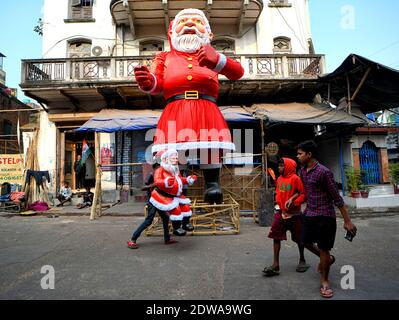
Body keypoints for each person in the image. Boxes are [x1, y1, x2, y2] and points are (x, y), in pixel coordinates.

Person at [134, 8, 244, 204]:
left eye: (197, 21)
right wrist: (147, 82)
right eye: (183, 20)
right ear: (172, 32)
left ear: (209, 34)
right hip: (176, 109)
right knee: (174, 152)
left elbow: (237, 72)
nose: (190, 24)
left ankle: (212, 184)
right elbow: (157, 82)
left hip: (206, 107)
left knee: (209, 147)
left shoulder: (212, 54)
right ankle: (177, 187)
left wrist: (218, 60)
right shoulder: (164, 57)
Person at [296, 140, 357, 298]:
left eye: (300, 153)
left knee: (324, 247)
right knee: (304, 241)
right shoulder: (302, 171)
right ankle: (327, 260)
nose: (298, 156)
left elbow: (336, 198)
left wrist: (347, 221)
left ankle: (324, 281)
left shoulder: (323, 172)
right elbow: (305, 191)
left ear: (309, 154)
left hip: (325, 215)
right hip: (309, 213)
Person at [263, 157, 310, 277]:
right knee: (276, 237)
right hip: (281, 213)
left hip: (295, 215)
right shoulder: (279, 179)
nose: (279, 167)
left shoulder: (295, 179)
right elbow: (279, 192)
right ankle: (275, 264)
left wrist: (294, 202)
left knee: (299, 239)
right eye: (278, 165)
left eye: (281, 166)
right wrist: (278, 201)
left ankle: (302, 260)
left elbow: (303, 194)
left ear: (288, 167)